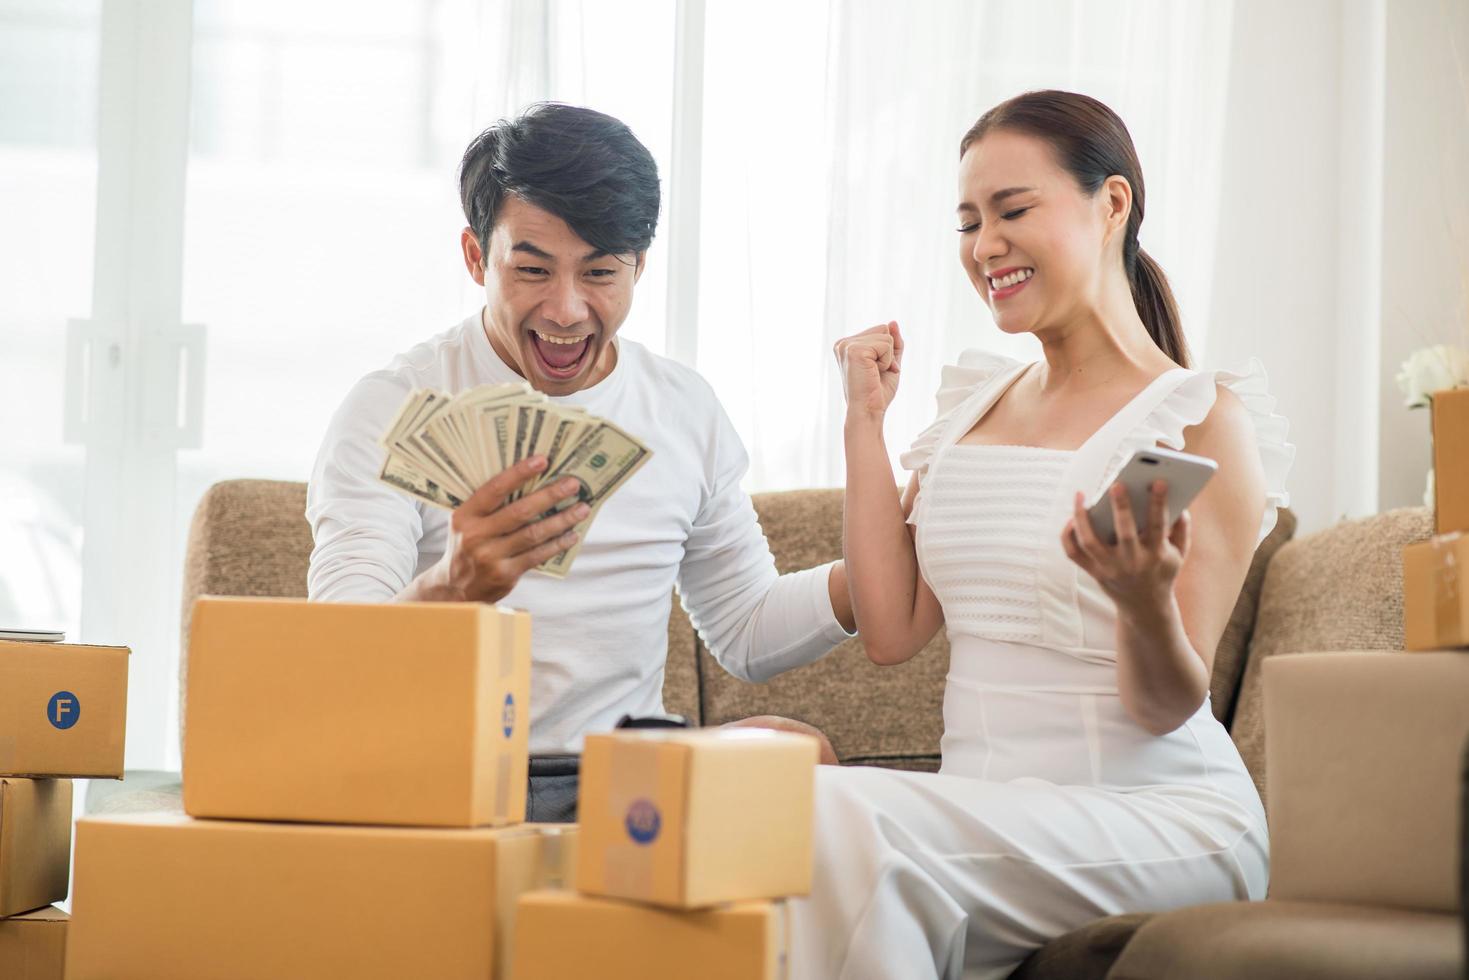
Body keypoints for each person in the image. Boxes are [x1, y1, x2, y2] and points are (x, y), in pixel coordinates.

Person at [796, 90, 1294, 979]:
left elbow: (1163, 707)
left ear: (1111, 204)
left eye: (1012, 210)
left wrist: (1140, 601)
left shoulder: (1193, 420)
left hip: (1157, 817)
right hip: (989, 816)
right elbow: (890, 630)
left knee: (832, 815)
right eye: (967, 221)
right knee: (795, 818)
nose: (984, 246)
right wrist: (863, 424)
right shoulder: (972, 410)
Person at [306, 103, 853, 821]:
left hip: (624, 781)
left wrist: (882, 565)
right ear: (476, 258)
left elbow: (746, 628)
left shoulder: (682, 408)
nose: (566, 310)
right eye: (531, 270)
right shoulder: (391, 407)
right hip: (442, 777)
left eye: (599, 273)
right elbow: (337, 655)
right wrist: (453, 587)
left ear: (638, 265)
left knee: (796, 750)